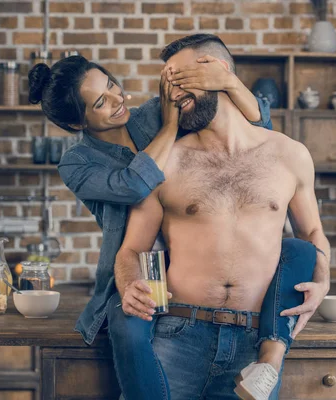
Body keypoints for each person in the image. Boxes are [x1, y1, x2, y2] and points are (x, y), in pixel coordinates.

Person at [28, 52, 277, 400]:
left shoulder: (150, 114)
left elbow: (260, 120)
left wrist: (224, 81)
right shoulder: (77, 162)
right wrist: (171, 128)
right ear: (77, 125)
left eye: (113, 86)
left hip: (197, 262)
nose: (119, 99)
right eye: (102, 102)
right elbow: (133, 184)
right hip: (136, 267)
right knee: (126, 323)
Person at [114, 34, 330, 400]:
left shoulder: (289, 155)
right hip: (177, 334)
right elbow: (131, 250)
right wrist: (130, 284)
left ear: (218, 71)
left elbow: (311, 232)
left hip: (255, 342)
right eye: (167, 86)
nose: (174, 94)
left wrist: (323, 279)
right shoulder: (164, 162)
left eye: (182, 81)